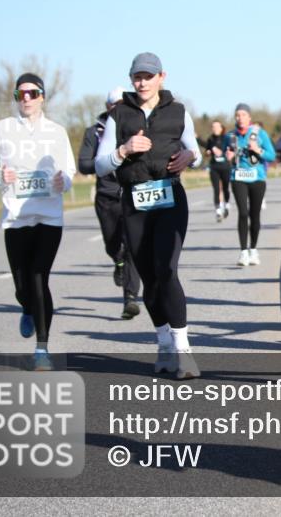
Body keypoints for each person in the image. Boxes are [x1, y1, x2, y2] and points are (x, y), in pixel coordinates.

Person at [94, 53, 202, 379]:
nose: (142, 82)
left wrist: (189, 156)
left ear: (161, 77)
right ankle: (164, 344)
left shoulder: (178, 111)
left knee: (167, 269)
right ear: (131, 80)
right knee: (149, 277)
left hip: (170, 196)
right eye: (137, 77)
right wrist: (123, 150)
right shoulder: (118, 115)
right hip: (135, 201)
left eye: (148, 76)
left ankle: (183, 350)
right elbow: (100, 164)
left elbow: (194, 150)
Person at [0, 74, 75, 371]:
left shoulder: (56, 132)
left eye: (32, 93)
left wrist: (64, 180)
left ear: (42, 96)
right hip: (16, 217)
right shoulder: (2, 129)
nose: (27, 99)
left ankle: (41, 349)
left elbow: (68, 171)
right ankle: (27, 308)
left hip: (48, 216)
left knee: (38, 277)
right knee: (22, 287)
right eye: (21, 94)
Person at [77, 87, 141, 319]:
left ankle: (130, 298)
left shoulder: (138, 127)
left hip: (132, 194)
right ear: (108, 107)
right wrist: (106, 160)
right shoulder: (94, 132)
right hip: (106, 196)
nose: (120, 109)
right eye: (116, 104)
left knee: (133, 246)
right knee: (113, 245)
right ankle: (117, 260)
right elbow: (83, 165)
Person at [225, 104, 276, 266]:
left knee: (255, 215)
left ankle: (253, 250)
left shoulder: (260, 134)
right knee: (243, 213)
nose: (240, 118)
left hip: (257, 178)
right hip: (238, 177)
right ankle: (243, 252)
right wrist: (228, 156)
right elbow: (225, 155)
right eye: (237, 115)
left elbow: (271, 155)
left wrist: (257, 150)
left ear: (249, 117)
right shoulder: (230, 136)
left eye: (243, 115)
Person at [200, 120, 232, 222]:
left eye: (217, 127)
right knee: (216, 189)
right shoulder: (210, 139)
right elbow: (206, 151)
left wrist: (227, 152)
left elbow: (232, 149)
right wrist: (208, 153)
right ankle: (218, 210)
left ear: (221, 128)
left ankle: (226, 204)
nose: (215, 129)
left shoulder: (226, 138)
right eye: (213, 127)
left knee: (226, 188)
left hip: (226, 166)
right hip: (214, 167)